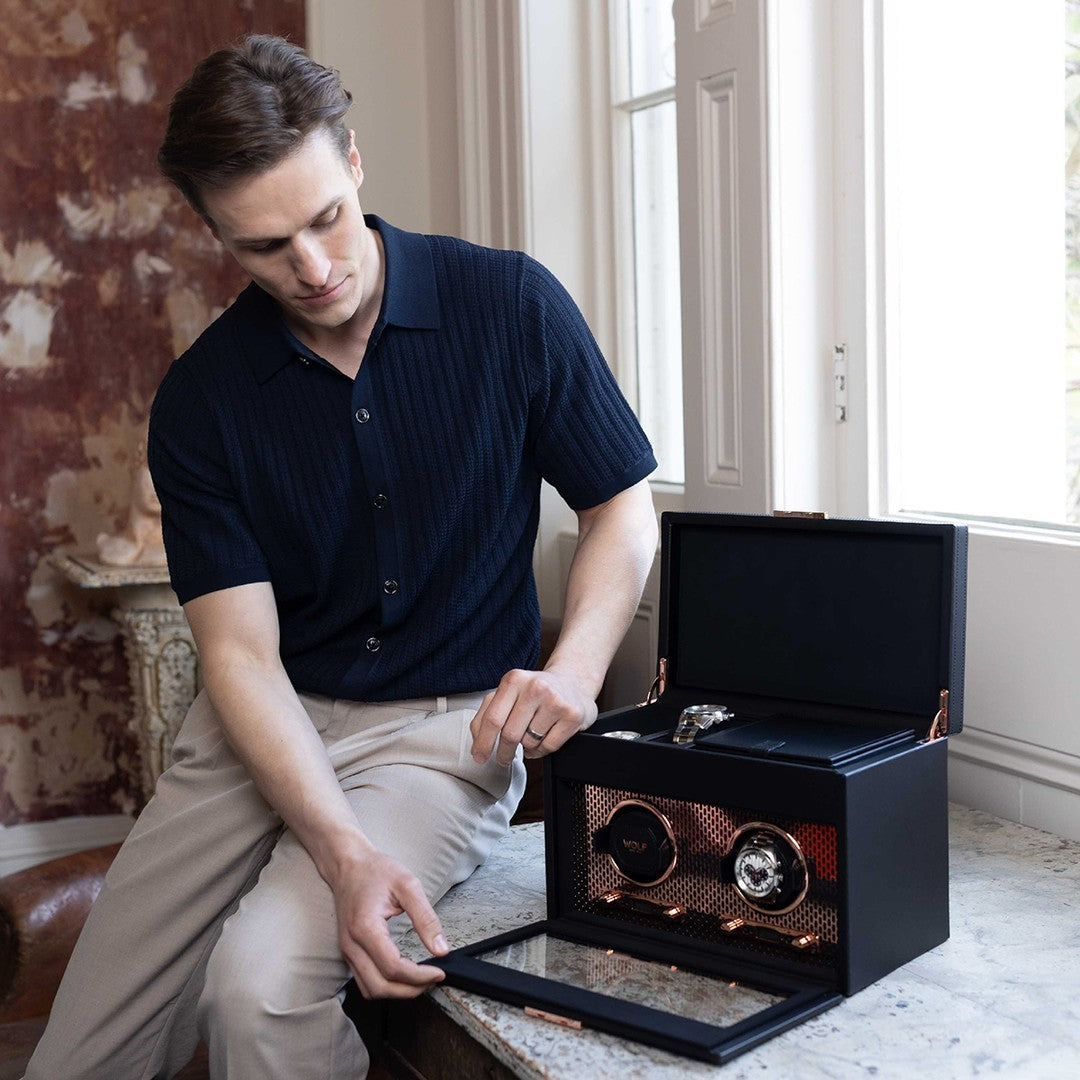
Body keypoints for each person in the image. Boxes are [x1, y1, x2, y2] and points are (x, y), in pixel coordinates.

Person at [25, 34, 658, 1080]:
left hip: (439, 731)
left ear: (353, 161)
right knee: (77, 1058)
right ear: (214, 233)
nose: (312, 269)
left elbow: (621, 508)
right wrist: (339, 844)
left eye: (324, 219)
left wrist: (576, 671)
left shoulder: (512, 307)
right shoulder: (202, 400)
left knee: (257, 988)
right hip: (259, 727)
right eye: (263, 247)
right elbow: (237, 660)